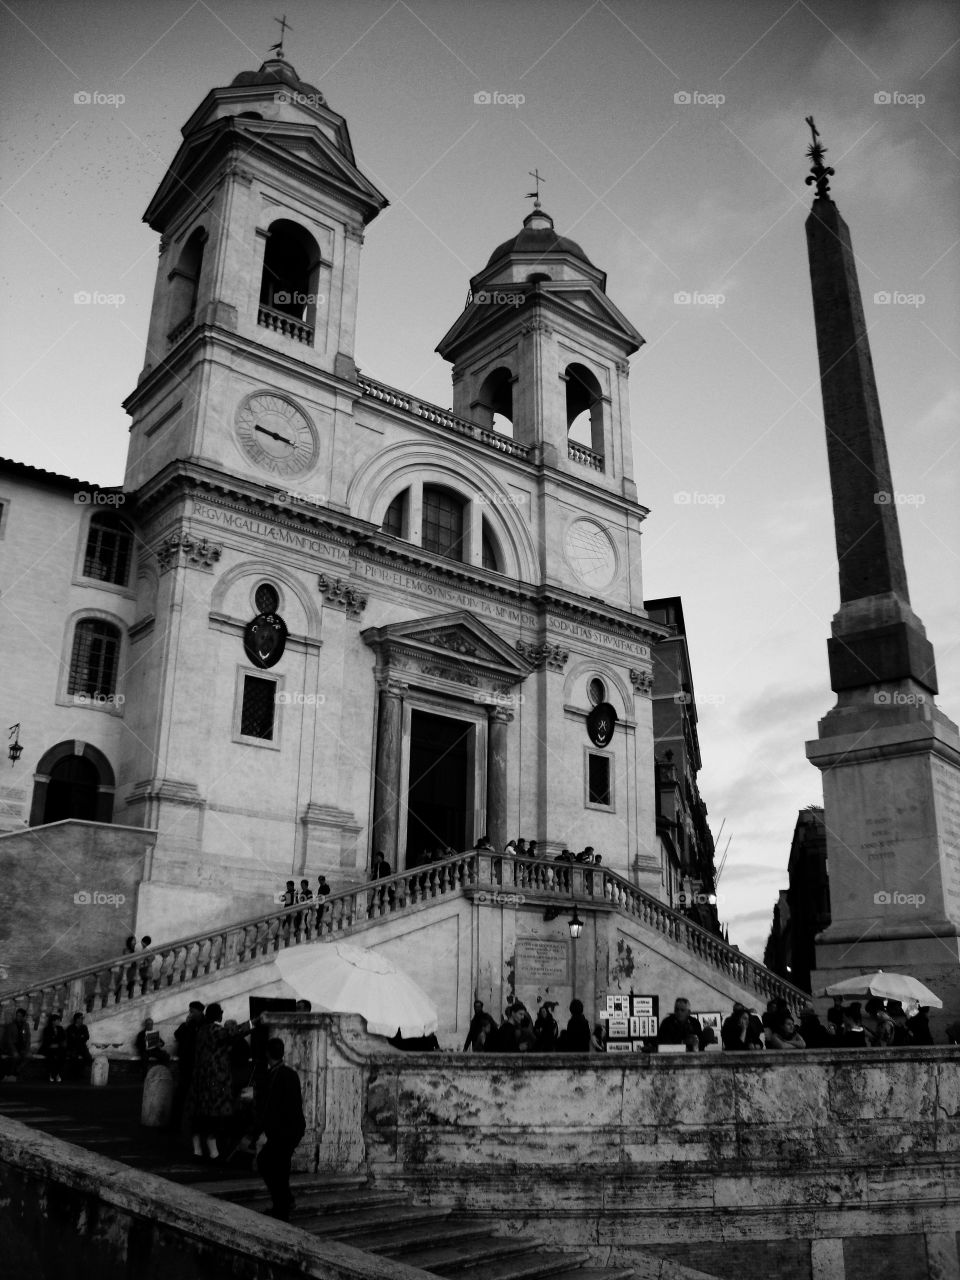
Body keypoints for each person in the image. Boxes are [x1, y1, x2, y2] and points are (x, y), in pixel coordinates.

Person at [186, 1003, 257, 1161]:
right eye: (220, 1011)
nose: (223, 1013)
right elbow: (234, 1032)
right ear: (216, 1014)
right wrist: (254, 1022)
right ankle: (213, 1151)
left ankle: (197, 1149)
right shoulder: (215, 1030)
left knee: (199, 1113)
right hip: (215, 1078)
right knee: (214, 1114)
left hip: (200, 1077)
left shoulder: (202, 1030)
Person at [252, 1037, 306, 1221]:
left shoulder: (277, 1075)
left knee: (270, 1164)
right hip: (290, 1129)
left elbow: (272, 1106)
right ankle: (284, 1203)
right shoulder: (287, 1073)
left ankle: (282, 1207)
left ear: (268, 1053)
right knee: (277, 1166)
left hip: (284, 1130)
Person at [172, 1001, 204, 1129]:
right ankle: (176, 1123)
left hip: (197, 1065)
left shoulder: (204, 1025)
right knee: (181, 1093)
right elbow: (177, 1035)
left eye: (192, 1011)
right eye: (189, 1011)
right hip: (185, 1064)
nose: (190, 1014)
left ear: (200, 1012)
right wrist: (186, 1024)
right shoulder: (187, 1024)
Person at [2, 1007, 32, 1079]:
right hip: (13, 1047)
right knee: (15, 1057)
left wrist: (27, 1049)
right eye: (17, 1015)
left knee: (29, 1056)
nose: (18, 1017)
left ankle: (17, 1069)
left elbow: (28, 1038)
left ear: (23, 1017)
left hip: (22, 1047)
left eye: (20, 1016)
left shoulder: (26, 1025)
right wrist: (14, 1050)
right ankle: (11, 1072)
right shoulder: (11, 1025)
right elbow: (9, 1040)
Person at [65, 1012, 92, 1080]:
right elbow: (70, 1038)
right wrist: (80, 1037)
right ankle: (74, 1075)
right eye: (80, 1018)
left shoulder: (84, 1027)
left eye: (82, 1018)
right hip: (72, 1047)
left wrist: (77, 1037)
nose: (82, 1020)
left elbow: (86, 1037)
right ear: (76, 1019)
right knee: (74, 1058)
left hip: (82, 1046)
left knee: (88, 1058)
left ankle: (81, 1073)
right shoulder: (70, 1027)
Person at [41, 1011, 67, 1081]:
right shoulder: (47, 1029)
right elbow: (46, 1040)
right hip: (49, 1048)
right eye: (57, 1020)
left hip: (58, 1048)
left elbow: (63, 1038)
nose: (59, 1022)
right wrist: (51, 1045)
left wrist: (58, 1044)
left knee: (62, 1056)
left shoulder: (60, 1029)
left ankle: (57, 1073)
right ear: (53, 1021)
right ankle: (51, 1074)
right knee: (51, 1056)